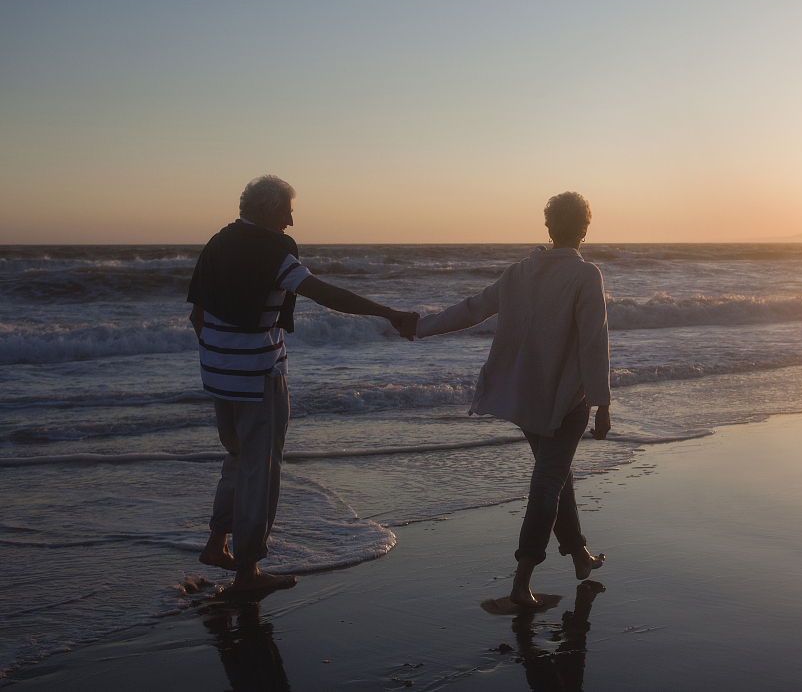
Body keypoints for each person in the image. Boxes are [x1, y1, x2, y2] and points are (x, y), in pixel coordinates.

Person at [187, 175, 418, 592]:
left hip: (218, 375)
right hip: (258, 375)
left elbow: (196, 316)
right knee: (261, 470)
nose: (291, 222)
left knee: (238, 458)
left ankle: (216, 543)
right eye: (287, 211)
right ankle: (248, 572)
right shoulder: (272, 253)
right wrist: (389, 312)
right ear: (269, 211)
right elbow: (326, 294)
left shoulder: (218, 243)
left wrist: (219, 357)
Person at [416, 191, 610, 606]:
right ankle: (521, 583)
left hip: (526, 398)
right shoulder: (585, 274)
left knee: (556, 476)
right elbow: (594, 343)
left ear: (548, 227)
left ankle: (580, 557)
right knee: (548, 482)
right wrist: (603, 403)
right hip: (564, 403)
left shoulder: (518, 273)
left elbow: (470, 310)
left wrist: (419, 326)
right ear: (585, 228)